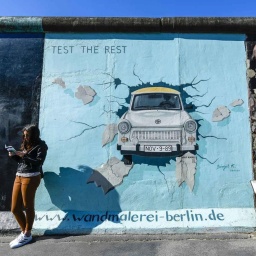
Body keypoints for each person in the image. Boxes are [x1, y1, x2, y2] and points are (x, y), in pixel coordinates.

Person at [8, 124, 48, 249]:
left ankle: (27, 233)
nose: (25, 138)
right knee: (14, 208)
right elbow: (22, 162)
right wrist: (15, 155)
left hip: (31, 177)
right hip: (19, 176)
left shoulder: (41, 146)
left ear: (34, 135)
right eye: (24, 135)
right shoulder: (26, 144)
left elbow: (38, 162)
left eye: (28, 135)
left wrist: (24, 155)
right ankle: (24, 232)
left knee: (27, 205)